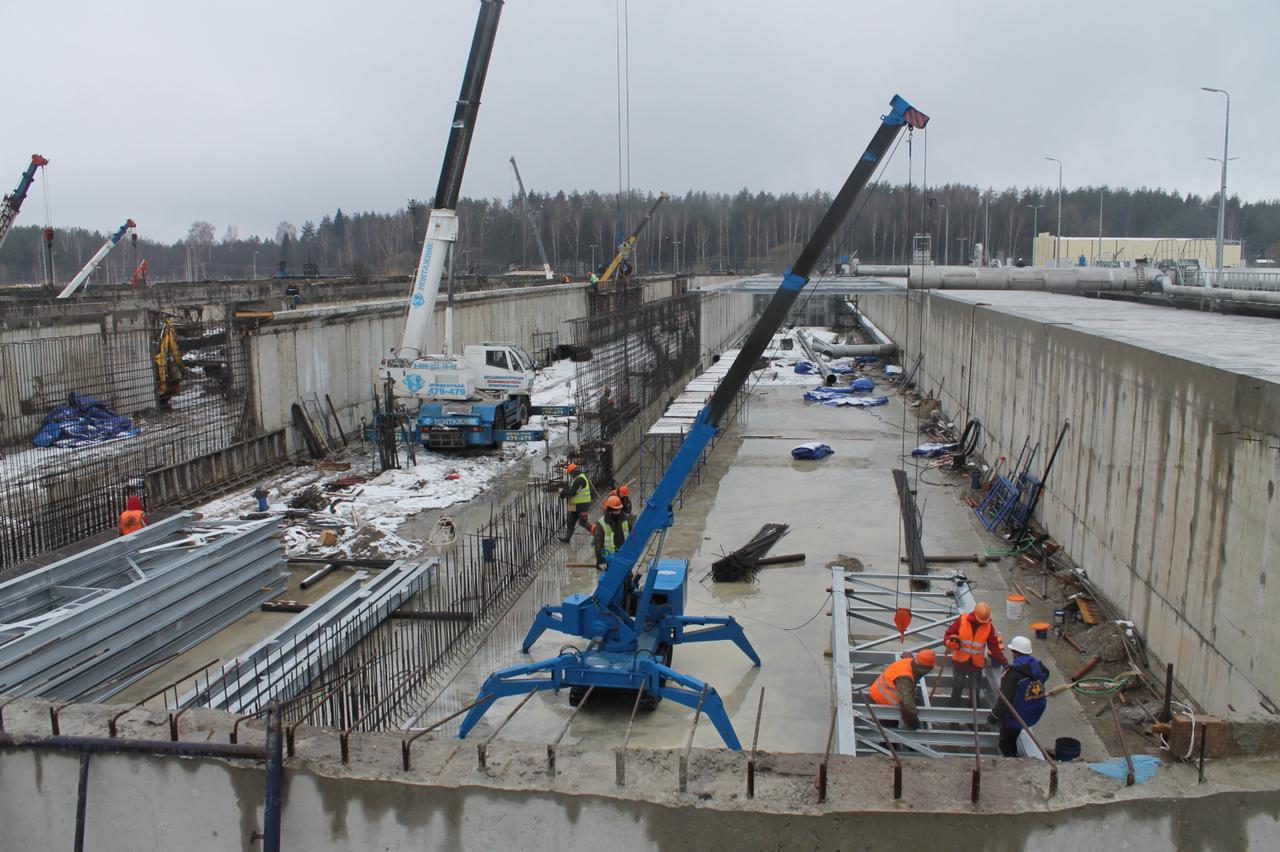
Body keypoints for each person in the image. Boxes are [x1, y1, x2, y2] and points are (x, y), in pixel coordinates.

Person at [988, 635, 1051, 756]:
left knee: (1005, 742)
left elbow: (1005, 701)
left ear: (1014, 652)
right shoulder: (1039, 667)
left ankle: (1013, 760)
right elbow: (1046, 674)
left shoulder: (1012, 674)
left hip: (1018, 715)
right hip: (1036, 709)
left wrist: (993, 717)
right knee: (1016, 730)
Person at [944, 601, 1008, 707]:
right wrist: (949, 642)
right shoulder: (962, 620)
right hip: (960, 663)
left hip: (976, 665)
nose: (982, 623)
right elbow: (948, 634)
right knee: (956, 690)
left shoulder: (988, 627)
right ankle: (953, 719)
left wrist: (1004, 663)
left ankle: (973, 718)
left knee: (975, 693)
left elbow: (994, 647)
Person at [869, 649, 936, 730]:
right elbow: (908, 705)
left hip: (877, 691)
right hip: (882, 701)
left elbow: (907, 655)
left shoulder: (908, 661)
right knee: (890, 731)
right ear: (925, 669)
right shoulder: (905, 678)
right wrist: (914, 722)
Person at [592, 495, 630, 570]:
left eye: (619, 509)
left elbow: (632, 539)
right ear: (609, 510)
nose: (618, 512)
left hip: (623, 559)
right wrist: (601, 561)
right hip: (608, 561)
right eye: (615, 510)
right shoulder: (601, 523)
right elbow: (598, 544)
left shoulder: (627, 520)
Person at [558, 462, 593, 542]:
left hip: (582, 505)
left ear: (573, 472)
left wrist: (563, 492)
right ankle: (567, 538)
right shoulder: (578, 478)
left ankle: (597, 533)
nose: (570, 475)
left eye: (570, 473)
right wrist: (565, 493)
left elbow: (573, 492)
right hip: (574, 504)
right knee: (570, 521)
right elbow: (573, 491)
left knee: (583, 522)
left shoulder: (579, 479)